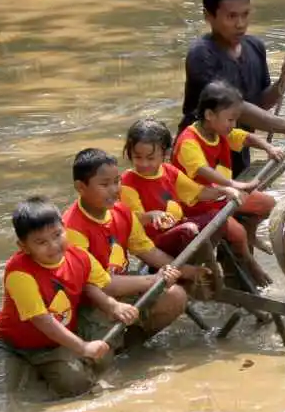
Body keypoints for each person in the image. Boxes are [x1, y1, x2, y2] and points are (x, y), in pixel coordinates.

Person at [0, 196, 140, 410]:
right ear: (24, 246)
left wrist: (113, 306)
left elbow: (93, 284)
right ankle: (25, 368)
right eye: (41, 242)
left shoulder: (79, 256)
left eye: (57, 235)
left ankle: (41, 371)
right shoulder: (18, 272)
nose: (53, 246)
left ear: (65, 228)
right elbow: (43, 321)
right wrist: (83, 347)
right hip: (11, 345)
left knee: (77, 385)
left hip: (54, 344)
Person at [62, 148, 196, 355]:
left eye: (117, 181)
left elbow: (146, 250)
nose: (115, 190)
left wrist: (189, 271)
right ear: (80, 187)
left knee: (176, 296)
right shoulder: (71, 228)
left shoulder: (122, 211)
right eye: (105, 184)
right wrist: (153, 280)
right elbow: (98, 285)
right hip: (90, 302)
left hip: (122, 286)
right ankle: (112, 348)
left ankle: (131, 346)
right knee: (100, 355)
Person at [179, 0, 285, 179]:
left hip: (238, 151)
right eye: (231, 16)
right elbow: (235, 107)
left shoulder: (255, 47)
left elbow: (259, 103)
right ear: (208, 16)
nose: (240, 24)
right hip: (200, 157)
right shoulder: (201, 54)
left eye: (245, 14)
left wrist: (284, 81)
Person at [173, 81, 284, 287]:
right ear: (209, 115)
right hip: (197, 203)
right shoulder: (189, 141)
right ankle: (249, 263)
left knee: (268, 204)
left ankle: (249, 238)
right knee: (237, 233)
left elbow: (243, 137)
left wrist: (268, 146)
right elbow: (201, 170)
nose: (233, 124)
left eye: (235, 119)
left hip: (224, 195)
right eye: (230, 119)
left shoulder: (219, 131)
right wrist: (234, 184)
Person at [120, 117, 245, 297]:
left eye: (150, 158)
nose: (144, 164)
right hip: (156, 242)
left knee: (217, 217)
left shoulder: (168, 171)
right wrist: (150, 215)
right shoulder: (128, 181)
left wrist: (225, 190)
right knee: (189, 229)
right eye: (137, 157)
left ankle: (197, 267)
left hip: (177, 232)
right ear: (129, 153)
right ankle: (190, 273)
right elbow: (132, 220)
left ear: (165, 153)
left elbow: (197, 192)